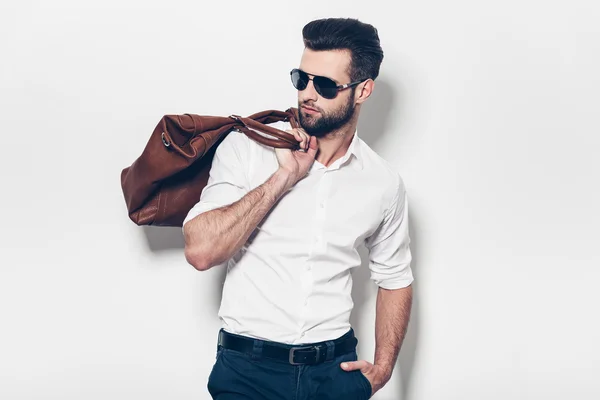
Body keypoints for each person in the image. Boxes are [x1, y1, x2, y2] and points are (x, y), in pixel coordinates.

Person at [182, 17, 414, 400]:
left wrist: (383, 368)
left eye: (324, 85)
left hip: (335, 373)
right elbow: (201, 251)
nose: (308, 93)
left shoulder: (383, 182)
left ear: (363, 91)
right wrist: (283, 179)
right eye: (301, 78)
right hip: (247, 372)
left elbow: (395, 277)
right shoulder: (247, 149)